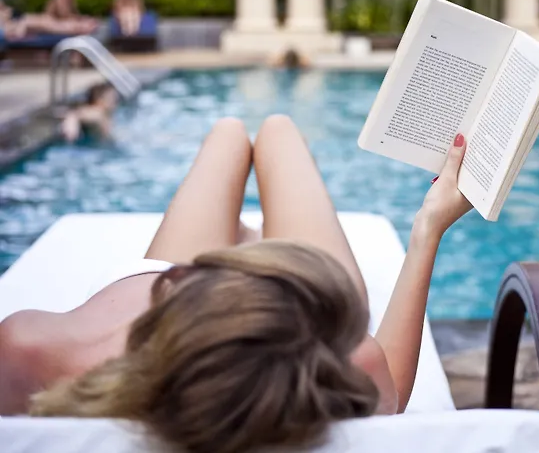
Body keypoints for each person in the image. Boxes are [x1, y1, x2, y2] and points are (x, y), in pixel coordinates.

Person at [0, 116, 472, 452]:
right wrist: (427, 229)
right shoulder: (321, 358)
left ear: (181, 282)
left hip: (199, 294)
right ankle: (251, 229)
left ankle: (245, 227)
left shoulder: (32, 349)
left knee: (229, 133)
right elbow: (392, 394)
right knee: (278, 132)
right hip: (281, 289)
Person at [0, 0, 95, 39]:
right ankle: (80, 27)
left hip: (26, 21)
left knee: (50, 22)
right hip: (23, 23)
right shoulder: (5, 16)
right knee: (51, 23)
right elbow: (15, 30)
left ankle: (80, 26)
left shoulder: (7, 10)